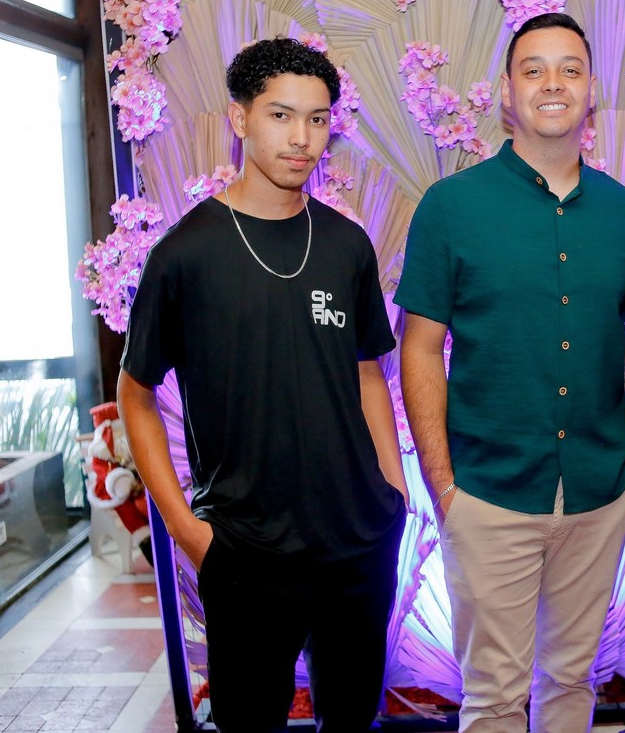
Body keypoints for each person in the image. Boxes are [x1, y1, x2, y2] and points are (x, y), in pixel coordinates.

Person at [118, 37, 408, 733]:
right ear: (240, 118)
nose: (302, 137)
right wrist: (187, 530)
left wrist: (393, 492)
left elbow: (367, 369)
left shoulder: (345, 244)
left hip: (358, 541)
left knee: (352, 720)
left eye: (318, 118)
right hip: (244, 550)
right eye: (281, 115)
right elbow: (135, 393)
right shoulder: (186, 253)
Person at [395, 12, 625, 733]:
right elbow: (419, 348)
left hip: (600, 494)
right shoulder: (451, 207)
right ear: (506, 91)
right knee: (494, 698)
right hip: (488, 494)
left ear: (591, 89)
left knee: (572, 680)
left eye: (570, 69)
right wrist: (444, 487)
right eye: (533, 69)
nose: (552, 84)